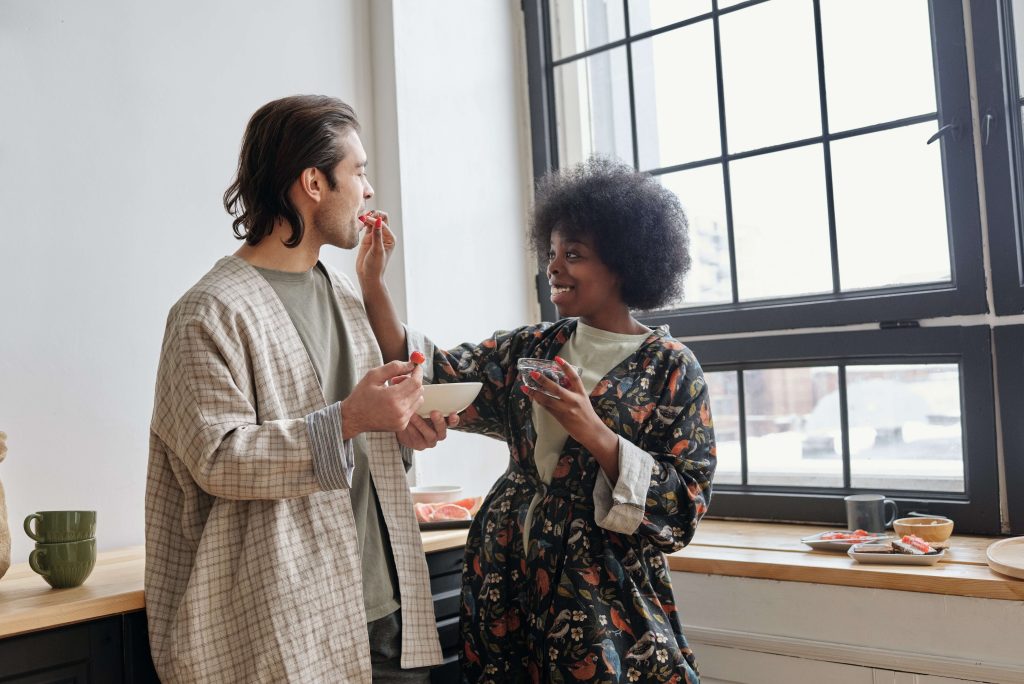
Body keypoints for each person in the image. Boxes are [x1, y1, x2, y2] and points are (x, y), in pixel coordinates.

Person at [357, 157, 716, 683]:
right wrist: (373, 286)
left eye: (574, 255)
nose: (554, 266)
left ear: (624, 263)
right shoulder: (533, 347)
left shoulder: (671, 367)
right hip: (505, 570)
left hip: (600, 585)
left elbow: (685, 502)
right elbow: (430, 376)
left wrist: (593, 431)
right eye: (551, 253)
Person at [145, 94, 457, 683]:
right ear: (314, 182)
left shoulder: (344, 293)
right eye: (358, 172)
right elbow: (219, 460)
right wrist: (348, 419)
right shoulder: (208, 313)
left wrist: (402, 426)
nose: (367, 190)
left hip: (386, 611)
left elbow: (362, 446)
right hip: (287, 625)